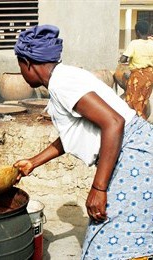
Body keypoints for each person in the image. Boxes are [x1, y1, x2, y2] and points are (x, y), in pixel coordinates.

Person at [13, 24, 153, 259]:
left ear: (27, 63)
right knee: (121, 240)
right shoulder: (63, 78)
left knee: (111, 246)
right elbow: (75, 133)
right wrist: (33, 162)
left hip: (134, 157)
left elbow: (114, 123)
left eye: (19, 66)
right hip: (132, 151)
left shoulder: (62, 83)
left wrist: (98, 188)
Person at [119, 20, 153, 120]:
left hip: (138, 76)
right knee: (143, 100)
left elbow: (123, 59)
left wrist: (122, 58)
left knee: (133, 101)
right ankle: (142, 119)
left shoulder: (134, 43)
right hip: (150, 76)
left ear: (137, 32)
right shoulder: (152, 43)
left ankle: (136, 122)